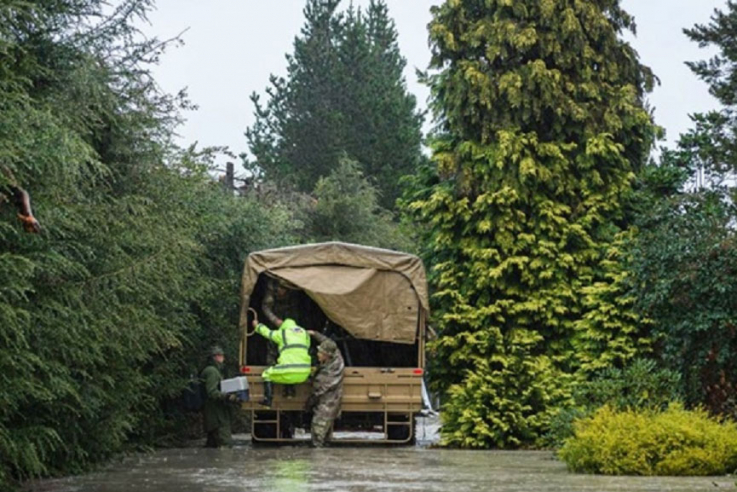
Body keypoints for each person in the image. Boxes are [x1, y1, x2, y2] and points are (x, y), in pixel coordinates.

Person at [251, 312, 312, 407]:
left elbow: (268, 333)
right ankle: (290, 391)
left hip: (289, 371)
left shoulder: (283, 333)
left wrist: (257, 325)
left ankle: (268, 401)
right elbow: (307, 347)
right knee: (289, 371)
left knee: (267, 374)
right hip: (304, 373)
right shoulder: (304, 333)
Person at [305, 331, 345, 448]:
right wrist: (314, 333)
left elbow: (317, 392)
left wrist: (308, 405)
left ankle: (319, 462)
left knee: (317, 437)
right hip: (331, 405)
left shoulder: (327, 374)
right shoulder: (337, 356)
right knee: (325, 439)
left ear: (327, 355)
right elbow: (329, 342)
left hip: (326, 406)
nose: (318, 354)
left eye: (320, 353)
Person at [200, 345, 238, 448]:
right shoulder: (212, 371)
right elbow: (212, 392)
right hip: (216, 413)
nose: (223, 358)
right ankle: (223, 463)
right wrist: (227, 396)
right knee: (225, 443)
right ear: (215, 357)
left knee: (212, 445)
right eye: (220, 355)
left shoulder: (215, 370)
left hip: (216, 412)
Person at [1, 166, 40, 233]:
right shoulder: (28, 216)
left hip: (17, 196)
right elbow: (30, 219)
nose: (29, 231)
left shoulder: (26, 217)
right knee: (7, 178)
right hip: (19, 194)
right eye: (31, 230)